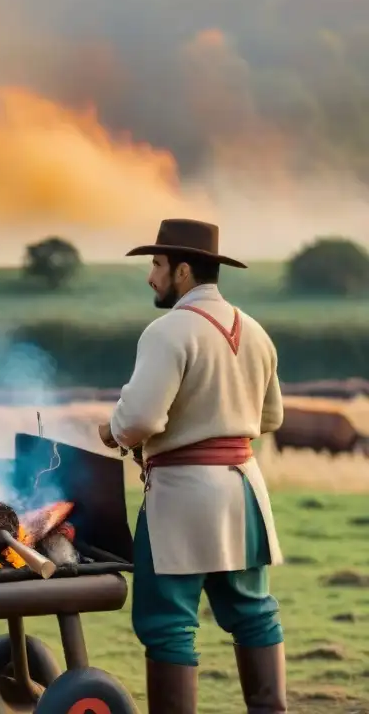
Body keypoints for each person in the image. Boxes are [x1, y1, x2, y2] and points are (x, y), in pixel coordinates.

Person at [97, 219, 286, 713]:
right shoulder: (257, 332)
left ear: (183, 271)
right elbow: (271, 417)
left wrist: (112, 432)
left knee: (167, 625)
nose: (150, 277)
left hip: (182, 496)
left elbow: (138, 419)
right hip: (244, 490)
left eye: (156, 265)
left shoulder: (167, 331)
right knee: (254, 614)